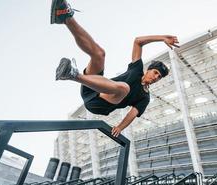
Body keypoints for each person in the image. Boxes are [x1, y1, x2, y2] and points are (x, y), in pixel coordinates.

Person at [51, 0, 179, 137]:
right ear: (148, 69)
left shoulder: (144, 97)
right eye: (155, 73)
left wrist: (119, 127)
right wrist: (162, 38)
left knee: (124, 88)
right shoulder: (137, 69)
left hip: (100, 104)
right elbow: (138, 42)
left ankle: (72, 74)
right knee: (99, 54)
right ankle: (65, 17)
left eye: (159, 77)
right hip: (92, 88)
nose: (155, 77)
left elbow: (132, 114)